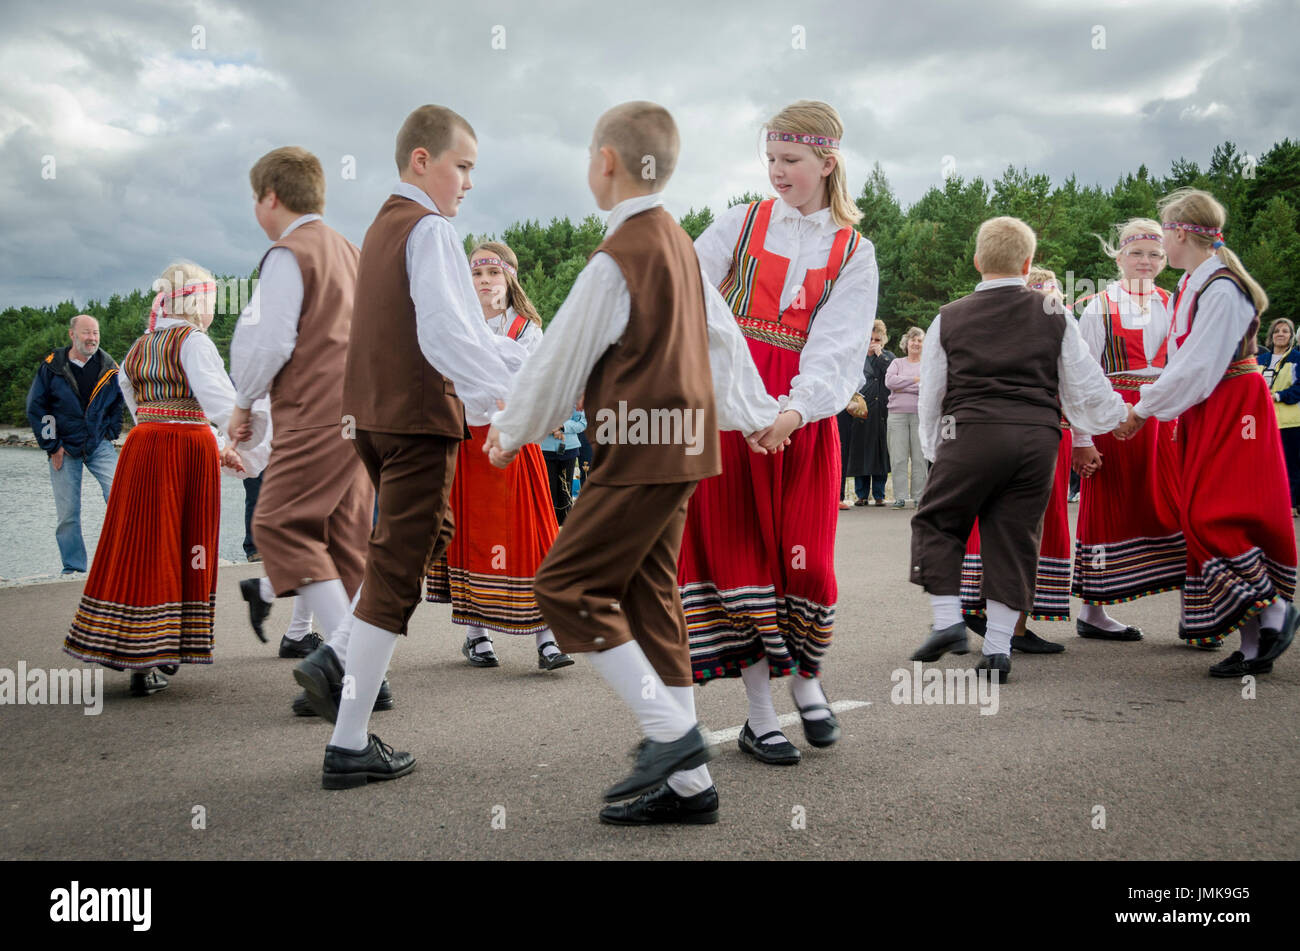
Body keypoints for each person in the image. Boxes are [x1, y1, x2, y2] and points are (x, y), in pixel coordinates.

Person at [486, 100, 779, 825]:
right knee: (651, 599)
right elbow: (723, 340)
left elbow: (560, 359)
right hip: (684, 446)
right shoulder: (677, 242)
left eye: (590, 152)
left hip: (640, 448)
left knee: (565, 586)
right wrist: (755, 414)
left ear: (607, 162)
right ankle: (690, 790)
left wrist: (510, 429)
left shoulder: (617, 257)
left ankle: (673, 735)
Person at [291, 105, 524, 788]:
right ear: (422, 160)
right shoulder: (430, 228)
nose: (469, 183)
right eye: (463, 166)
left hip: (372, 414)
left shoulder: (382, 225)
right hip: (417, 418)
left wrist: (502, 386)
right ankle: (349, 738)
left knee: (428, 534)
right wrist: (510, 392)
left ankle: (337, 652)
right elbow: (450, 335)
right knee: (397, 564)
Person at [679, 99, 878, 765]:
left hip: (802, 420)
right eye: (769, 159)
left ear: (827, 161)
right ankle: (760, 715)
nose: (776, 171)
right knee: (743, 561)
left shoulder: (853, 249)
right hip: (733, 410)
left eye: (789, 159)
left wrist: (792, 411)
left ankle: (809, 680)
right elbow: (682, 289)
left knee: (809, 564)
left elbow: (840, 347)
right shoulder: (739, 223)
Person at [909, 217, 1129, 683]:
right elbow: (1082, 378)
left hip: (970, 432)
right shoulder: (1053, 311)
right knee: (1014, 538)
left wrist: (934, 450)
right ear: (1028, 263)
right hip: (1036, 438)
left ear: (976, 260)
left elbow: (932, 393)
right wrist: (1119, 415)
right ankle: (998, 649)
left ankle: (949, 622)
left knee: (937, 520)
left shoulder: (949, 315)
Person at [63, 262, 270, 696]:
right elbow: (222, 406)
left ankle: (139, 650)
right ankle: (164, 648)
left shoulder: (140, 346)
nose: (212, 310)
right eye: (211, 301)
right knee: (185, 544)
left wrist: (218, 447)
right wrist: (254, 445)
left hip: (143, 449)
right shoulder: (193, 341)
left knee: (143, 544)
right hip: (184, 454)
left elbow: (139, 408)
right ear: (197, 302)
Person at [1122, 188, 1297, 676]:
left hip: (1231, 403)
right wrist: (1146, 394)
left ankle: (1276, 612)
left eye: (1164, 237)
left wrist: (1143, 409)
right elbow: (1185, 363)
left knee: (1215, 512)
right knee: (1203, 510)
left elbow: (1198, 366)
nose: (1161, 248)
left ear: (1180, 233)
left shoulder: (1220, 287)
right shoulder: (1198, 283)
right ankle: (1254, 640)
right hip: (1210, 404)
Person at [227, 146, 376, 681]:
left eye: (254, 198)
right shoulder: (352, 252)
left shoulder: (290, 254)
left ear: (270, 197)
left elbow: (268, 343)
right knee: (347, 541)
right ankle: (365, 675)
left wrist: (243, 403)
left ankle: (347, 669)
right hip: (361, 414)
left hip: (314, 411)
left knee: (280, 524)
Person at [424, 241, 573, 671]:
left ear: (509, 276)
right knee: (471, 535)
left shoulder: (527, 328)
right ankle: (477, 635)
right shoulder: (456, 324)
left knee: (535, 535)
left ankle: (547, 639)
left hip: (513, 439)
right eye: (476, 274)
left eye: (492, 273)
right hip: (465, 437)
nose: (485, 281)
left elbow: (531, 378)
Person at [1070, 218, 1188, 643]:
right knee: (1107, 510)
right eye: (1136, 253)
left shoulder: (1174, 302)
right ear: (1119, 257)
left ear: (1165, 259)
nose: (1146, 261)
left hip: (1165, 421)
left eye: (1155, 254)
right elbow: (1081, 377)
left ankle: (1192, 610)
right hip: (1114, 420)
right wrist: (1081, 441)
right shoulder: (1099, 305)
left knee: (1177, 509)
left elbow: (1184, 366)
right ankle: (1094, 611)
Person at [961, 268, 1073, 653]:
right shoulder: (1052, 329)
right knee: (1027, 528)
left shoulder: (996, 327)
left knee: (1002, 525)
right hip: (1039, 433)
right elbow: (1076, 382)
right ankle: (1012, 630)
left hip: (994, 433)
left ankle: (990, 613)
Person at [26, 315, 125, 575]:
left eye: (96, 333)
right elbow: (38, 407)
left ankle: (122, 560)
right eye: (86, 333)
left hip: (98, 444)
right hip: (64, 447)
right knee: (68, 514)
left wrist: (111, 432)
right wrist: (52, 446)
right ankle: (73, 568)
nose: (92, 338)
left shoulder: (110, 367)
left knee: (121, 498)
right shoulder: (52, 366)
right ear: (72, 335)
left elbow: (118, 403)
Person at [1257, 317, 1300, 515]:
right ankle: (1266, 500)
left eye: (1285, 331)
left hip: (1289, 421)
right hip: (1262, 420)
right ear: (1271, 335)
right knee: (1263, 462)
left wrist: (1278, 395)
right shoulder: (1260, 360)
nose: (1280, 334)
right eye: (1277, 331)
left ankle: (1291, 504)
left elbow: (1298, 388)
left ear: (1291, 336)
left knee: (1290, 463)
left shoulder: (1296, 359)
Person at [848, 319, 893, 506]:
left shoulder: (889, 357)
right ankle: (862, 494)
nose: (873, 342)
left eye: (877, 339)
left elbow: (892, 375)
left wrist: (881, 355)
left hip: (882, 409)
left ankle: (880, 494)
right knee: (862, 451)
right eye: (870, 338)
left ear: (882, 341)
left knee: (881, 451)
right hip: (862, 409)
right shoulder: (857, 358)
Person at [885, 327, 926, 508]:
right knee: (898, 457)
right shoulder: (897, 363)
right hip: (897, 415)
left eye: (919, 340)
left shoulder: (927, 365)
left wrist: (902, 385)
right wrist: (915, 381)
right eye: (913, 340)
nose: (916, 343)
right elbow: (890, 382)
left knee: (919, 458)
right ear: (906, 343)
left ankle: (919, 497)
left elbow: (928, 386)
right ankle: (900, 497)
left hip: (920, 415)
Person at [540, 406, 586, 525]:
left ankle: (565, 526)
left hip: (569, 449)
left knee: (565, 490)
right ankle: (550, 527)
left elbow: (582, 423)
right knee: (549, 491)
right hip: (544, 450)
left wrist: (562, 426)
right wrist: (552, 429)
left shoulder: (574, 397)